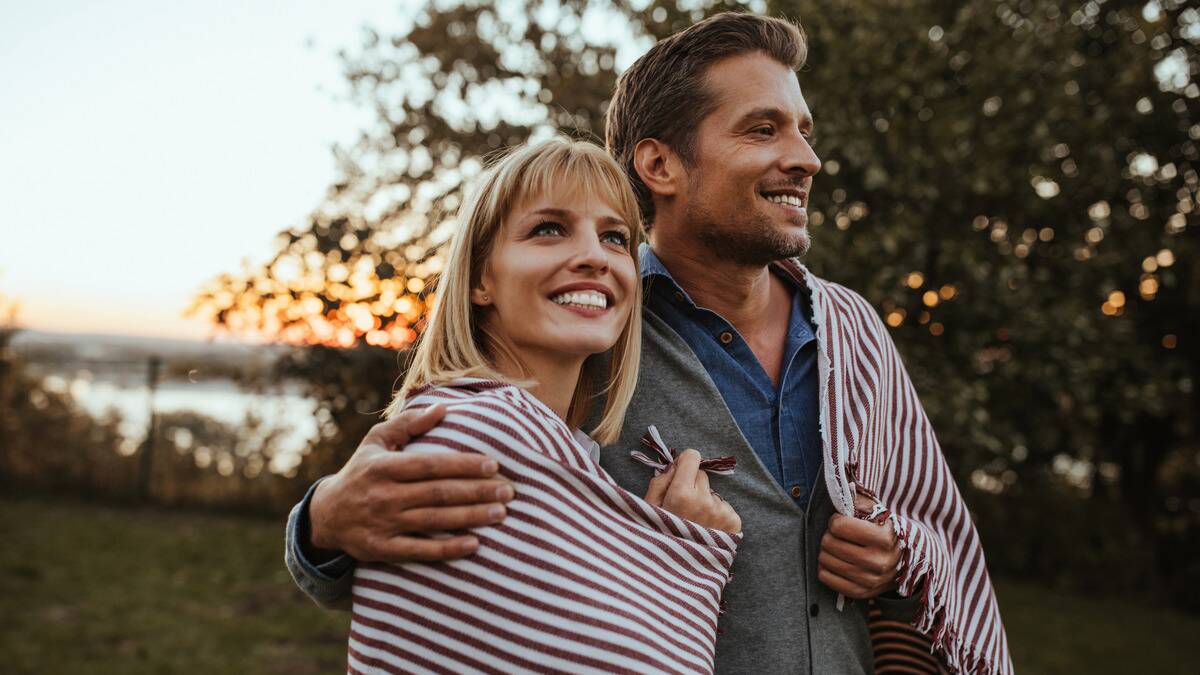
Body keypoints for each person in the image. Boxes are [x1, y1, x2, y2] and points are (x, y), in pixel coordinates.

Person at [286, 12, 1013, 675]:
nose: (805, 159)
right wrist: (320, 526)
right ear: (659, 165)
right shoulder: (588, 320)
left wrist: (897, 559)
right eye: (763, 130)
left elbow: (933, 527)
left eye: (803, 130)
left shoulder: (853, 331)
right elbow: (439, 546)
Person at [340, 137, 744, 673]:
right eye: (549, 229)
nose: (594, 257)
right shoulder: (476, 432)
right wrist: (690, 550)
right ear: (482, 278)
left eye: (614, 237)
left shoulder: (557, 447)